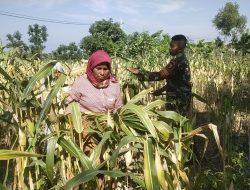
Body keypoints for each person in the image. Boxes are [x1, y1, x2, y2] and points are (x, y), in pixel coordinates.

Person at [128, 34, 191, 116]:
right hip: (183, 97)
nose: (170, 48)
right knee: (181, 122)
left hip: (177, 99)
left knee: (175, 122)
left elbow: (160, 75)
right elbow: (176, 82)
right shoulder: (183, 60)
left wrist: (140, 73)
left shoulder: (177, 61)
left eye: (172, 46)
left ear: (180, 47)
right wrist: (160, 91)